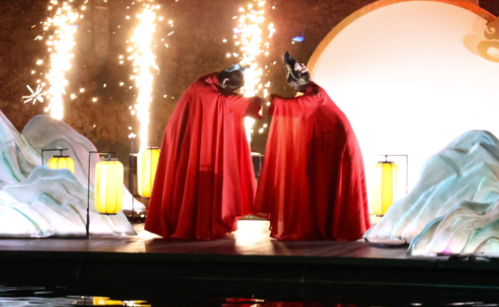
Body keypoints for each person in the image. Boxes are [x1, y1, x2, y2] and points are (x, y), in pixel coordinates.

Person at [254, 52, 370, 241]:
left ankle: (332, 228)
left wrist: (277, 102)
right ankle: (324, 227)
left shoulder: (315, 94)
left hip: (339, 146)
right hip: (331, 145)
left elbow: (299, 106)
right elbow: (299, 106)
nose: (303, 67)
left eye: (301, 66)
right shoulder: (314, 92)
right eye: (299, 68)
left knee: (333, 185)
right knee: (323, 185)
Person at [145, 66, 263, 240]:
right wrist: (251, 103)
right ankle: (191, 225)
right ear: (225, 82)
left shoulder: (212, 84)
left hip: (196, 138)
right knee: (190, 181)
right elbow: (223, 100)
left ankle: (212, 223)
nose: (231, 93)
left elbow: (223, 99)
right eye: (231, 89)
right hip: (188, 141)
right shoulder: (203, 89)